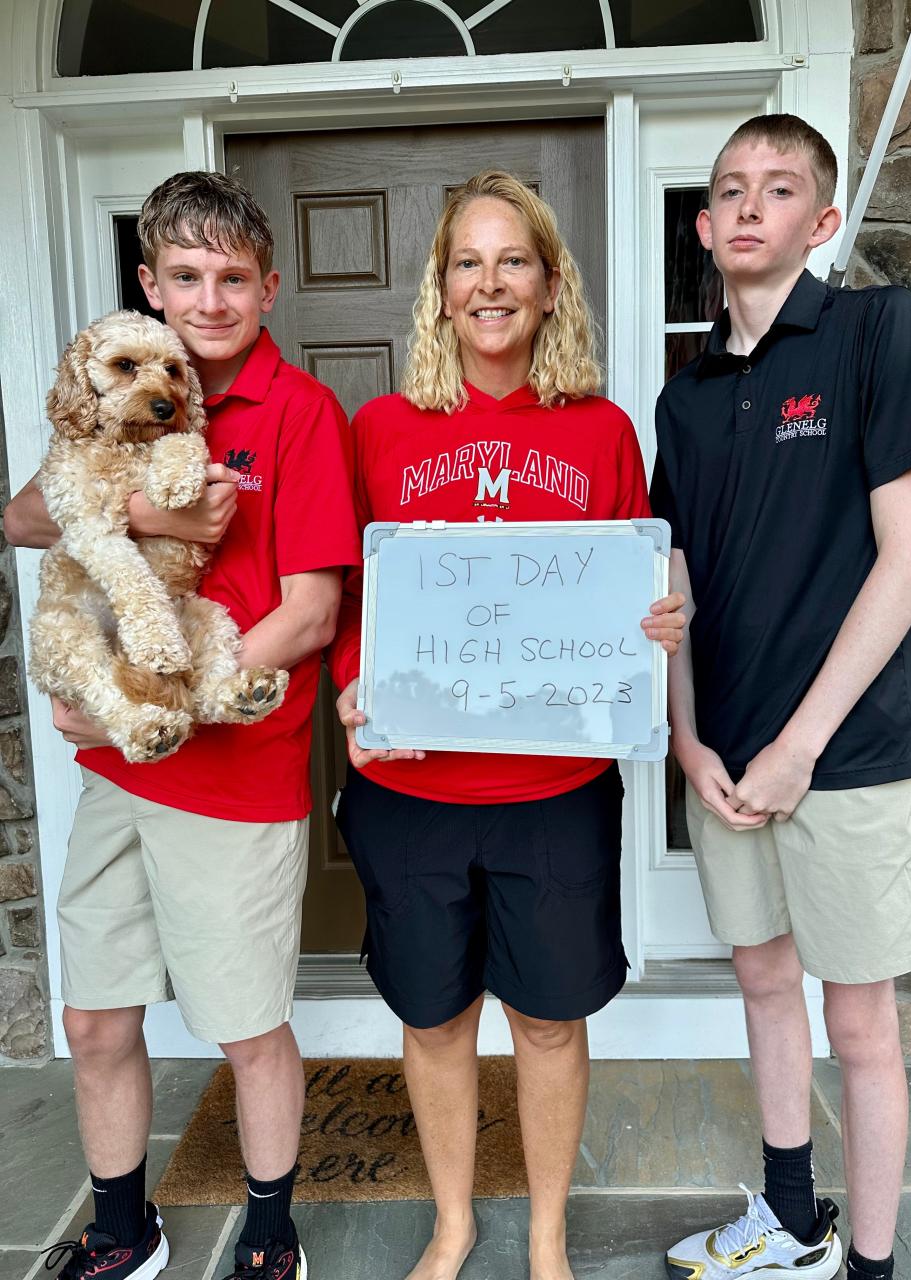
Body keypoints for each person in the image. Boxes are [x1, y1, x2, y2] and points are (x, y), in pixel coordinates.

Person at [326, 170, 686, 1280]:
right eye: (468, 263)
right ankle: (452, 1221)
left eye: (513, 260)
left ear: (548, 285)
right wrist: (352, 687)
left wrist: (659, 617)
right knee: (435, 1021)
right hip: (413, 791)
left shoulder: (602, 430)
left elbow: (630, 582)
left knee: (547, 1022)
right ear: (440, 291)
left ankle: (542, 1233)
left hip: (553, 794)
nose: (490, 282)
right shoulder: (379, 427)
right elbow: (351, 595)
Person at [4, 171, 361, 1280]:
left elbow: (309, 615)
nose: (210, 301)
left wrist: (153, 705)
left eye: (233, 279)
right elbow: (22, 513)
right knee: (98, 1016)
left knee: (247, 1025)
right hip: (119, 774)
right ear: (151, 285)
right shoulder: (109, 398)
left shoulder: (298, 412)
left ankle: (269, 1226)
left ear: (270, 286)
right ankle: (125, 1223)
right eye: (187, 278)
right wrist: (151, 509)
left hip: (235, 770)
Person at [652, 115, 911, 1280]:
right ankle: (792, 1223)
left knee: (862, 1024)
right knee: (765, 983)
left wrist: (797, 746)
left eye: (778, 190)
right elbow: (670, 589)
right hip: (728, 761)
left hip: (843, 758)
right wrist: (688, 738)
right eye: (729, 189)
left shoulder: (875, 332)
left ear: (820, 223)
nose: (747, 206)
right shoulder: (686, 397)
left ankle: (871, 1264)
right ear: (702, 224)